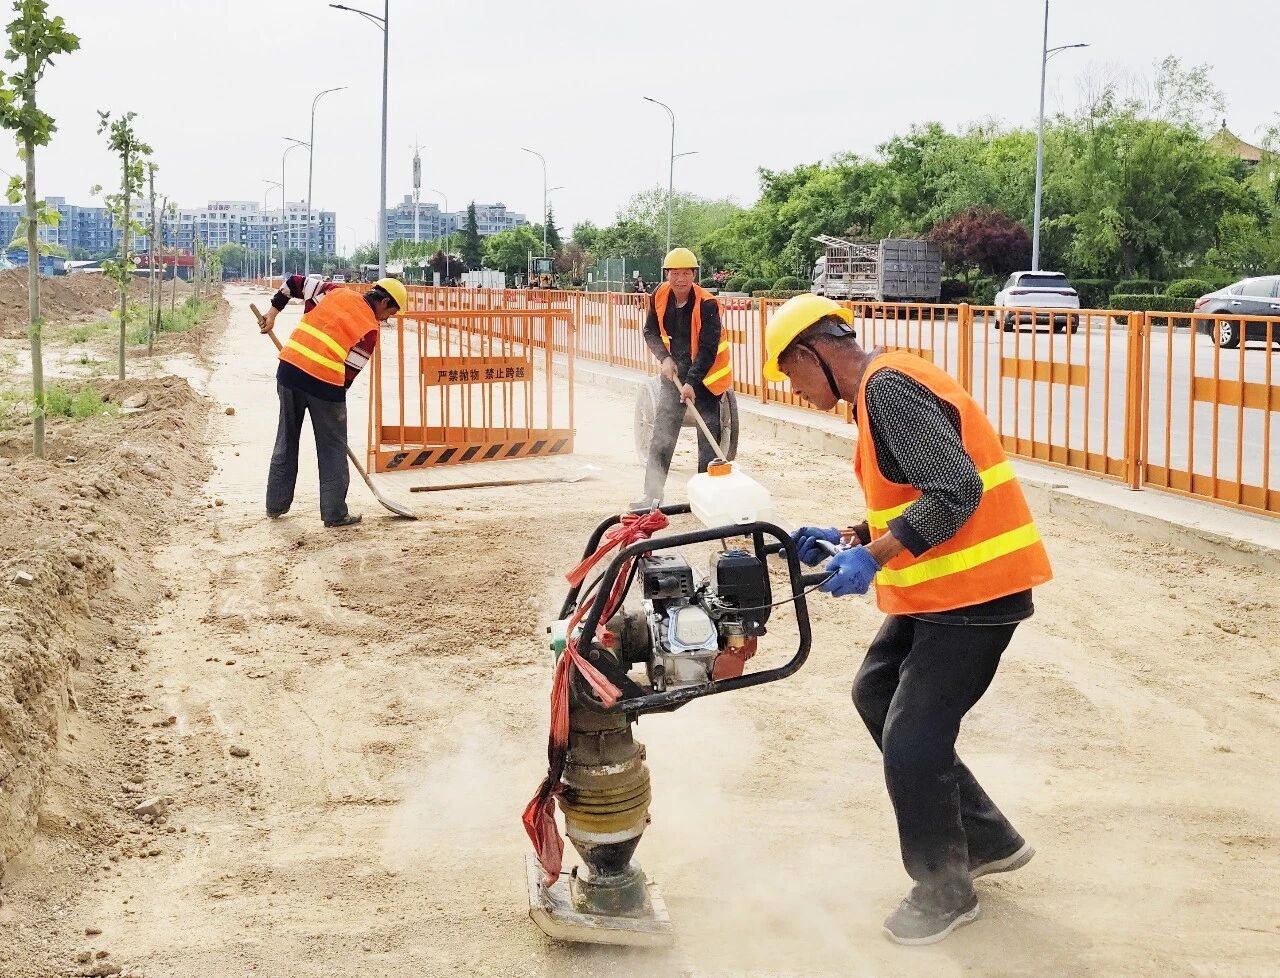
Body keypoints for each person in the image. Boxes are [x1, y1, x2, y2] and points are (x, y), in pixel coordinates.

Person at [762, 293, 1053, 945]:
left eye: (790, 373)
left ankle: (943, 887)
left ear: (812, 353)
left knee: (912, 734)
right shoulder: (882, 389)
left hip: (977, 595)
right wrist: (850, 533)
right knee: (876, 691)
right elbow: (925, 490)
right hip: (945, 594)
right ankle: (985, 838)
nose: (794, 389)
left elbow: (957, 491)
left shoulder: (888, 388)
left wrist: (871, 557)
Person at [259, 276, 407, 528]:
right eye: (390, 313)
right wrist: (334, 410)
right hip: (324, 384)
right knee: (333, 449)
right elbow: (349, 373)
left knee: (286, 438)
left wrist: (272, 313)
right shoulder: (370, 328)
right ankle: (335, 513)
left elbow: (294, 283)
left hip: (289, 370)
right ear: (383, 302)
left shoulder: (334, 291)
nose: (387, 318)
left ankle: (275, 505)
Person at [634, 247, 733, 508]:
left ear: (694, 275)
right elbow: (650, 332)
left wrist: (691, 382)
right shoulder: (659, 296)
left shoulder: (708, 303)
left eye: (686, 273)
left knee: (707, 440)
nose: (680, 279)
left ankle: (706, 500)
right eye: (675, 273)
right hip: (673, 374)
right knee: (662, 435)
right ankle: (651, 495)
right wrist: (664, 358)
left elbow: (708, 348)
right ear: (667, 274)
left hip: (706, 377)